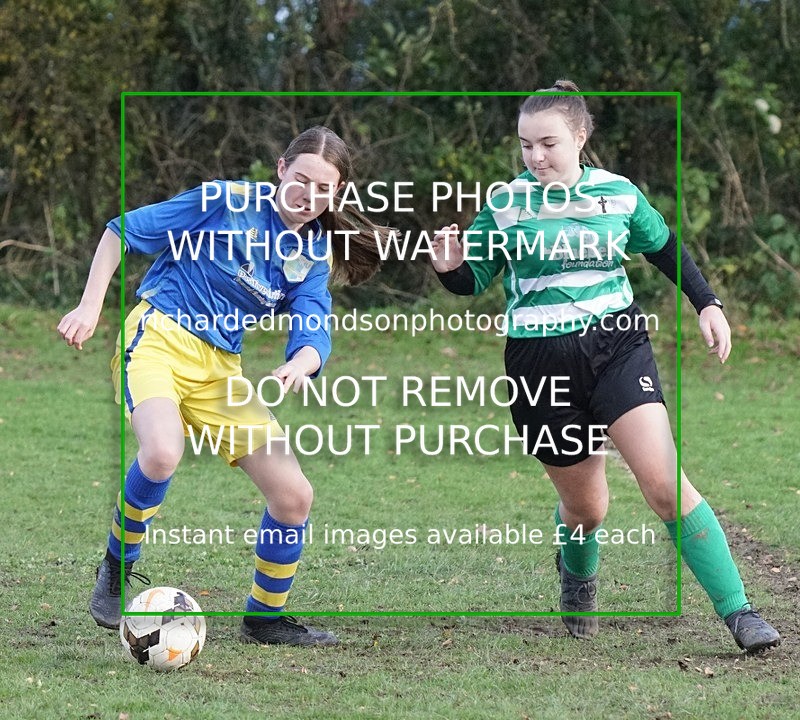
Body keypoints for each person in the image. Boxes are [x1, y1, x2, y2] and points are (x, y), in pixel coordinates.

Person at [430, 81, 781, 653]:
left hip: (616, 346)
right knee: (586, 508)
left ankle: (739, 612)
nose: (536, 157)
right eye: (525, 146)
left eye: (548, 143)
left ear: (580, 136)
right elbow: (473, 280)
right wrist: (449, 267)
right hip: (537, 361)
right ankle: (577, 575)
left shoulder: (617, 195)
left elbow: (665, 247)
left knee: (666, 485)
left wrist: (708, 303)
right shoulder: (505, 204)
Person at [58, 126, 388, 646]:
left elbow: (313, 321)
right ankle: (117, 567)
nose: (309, 197)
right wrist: (90, 305)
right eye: (301, 180)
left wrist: (303, 362)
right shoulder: (225, 200)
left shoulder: (315, 250)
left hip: (220, 371)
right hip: (159, 337)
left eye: (324, 190)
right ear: (281, 169)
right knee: (162, 453)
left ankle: (264, 619)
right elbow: (122, 230)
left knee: (293, 496)